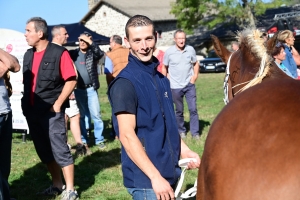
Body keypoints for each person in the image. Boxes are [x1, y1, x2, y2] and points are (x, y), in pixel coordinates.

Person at [108, 15, 200, 200]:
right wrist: (155, 177)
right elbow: (126, 135)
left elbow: (166, 126)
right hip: (147, 183)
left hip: (169, 173)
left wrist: (185, 150)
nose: (144, 46)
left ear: (156, 37)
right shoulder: (125, 83)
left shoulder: (161, 79)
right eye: (137, 40)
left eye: (148, 39)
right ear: (127, 42)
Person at [22, 17, 78, 200]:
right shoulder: (28, 55)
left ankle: (70, 190)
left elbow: (71, 79)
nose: (25, 34)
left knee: (59, 148)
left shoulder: (59, 53)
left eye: (28, 30)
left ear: (40, 33)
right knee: (44, 150)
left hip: (52, 112)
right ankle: (57, 184)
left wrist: (58, 103)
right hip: (32, 111)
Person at [51, 25, 88, 156]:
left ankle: (77, 145)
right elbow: (60, 74)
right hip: (64, 91)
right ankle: (67, 146)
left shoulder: (58, 50)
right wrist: (69, 90)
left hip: (64, 90)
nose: (68, 36)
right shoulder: (57, 51)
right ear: (57, 35)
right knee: (66, 118)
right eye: (65, 34)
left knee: (72, 116)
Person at [69, 32, 106, 149]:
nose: (82, 43)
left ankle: (99, 140)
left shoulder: (92, 53)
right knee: (82, 116)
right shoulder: (73, 53)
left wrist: (90, 41)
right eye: (81, 40)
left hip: (91, 89)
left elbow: (100, 54)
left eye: (85, 41)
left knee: (96, 114)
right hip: (79, 90)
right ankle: (84, 140)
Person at [162, 30, 200, 140]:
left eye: (183, 38)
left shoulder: (190, 50)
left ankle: (195, 133)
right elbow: (164, 67)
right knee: (179, 110)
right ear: (175, 39)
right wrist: (166, 80)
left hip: (189, 84)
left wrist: (195, 76)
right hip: (175, 86)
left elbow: (195, 63)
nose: (181, 41)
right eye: (179, 38)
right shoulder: (169, 52)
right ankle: (181, 130)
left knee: (193, 109)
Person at [0, 49, 20, 200]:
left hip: (4, 112)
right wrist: (5, 64)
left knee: (4, 162)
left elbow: (15, 65)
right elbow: (5, 67)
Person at [104, 35, 129, 139]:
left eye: (110, 42)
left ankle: (117, 134)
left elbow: (108, 73)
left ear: (114, 43)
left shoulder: (109, 55)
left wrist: (109, 86)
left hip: (117, 85)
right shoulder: (129, 51)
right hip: (130, 84)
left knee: (117, 110)